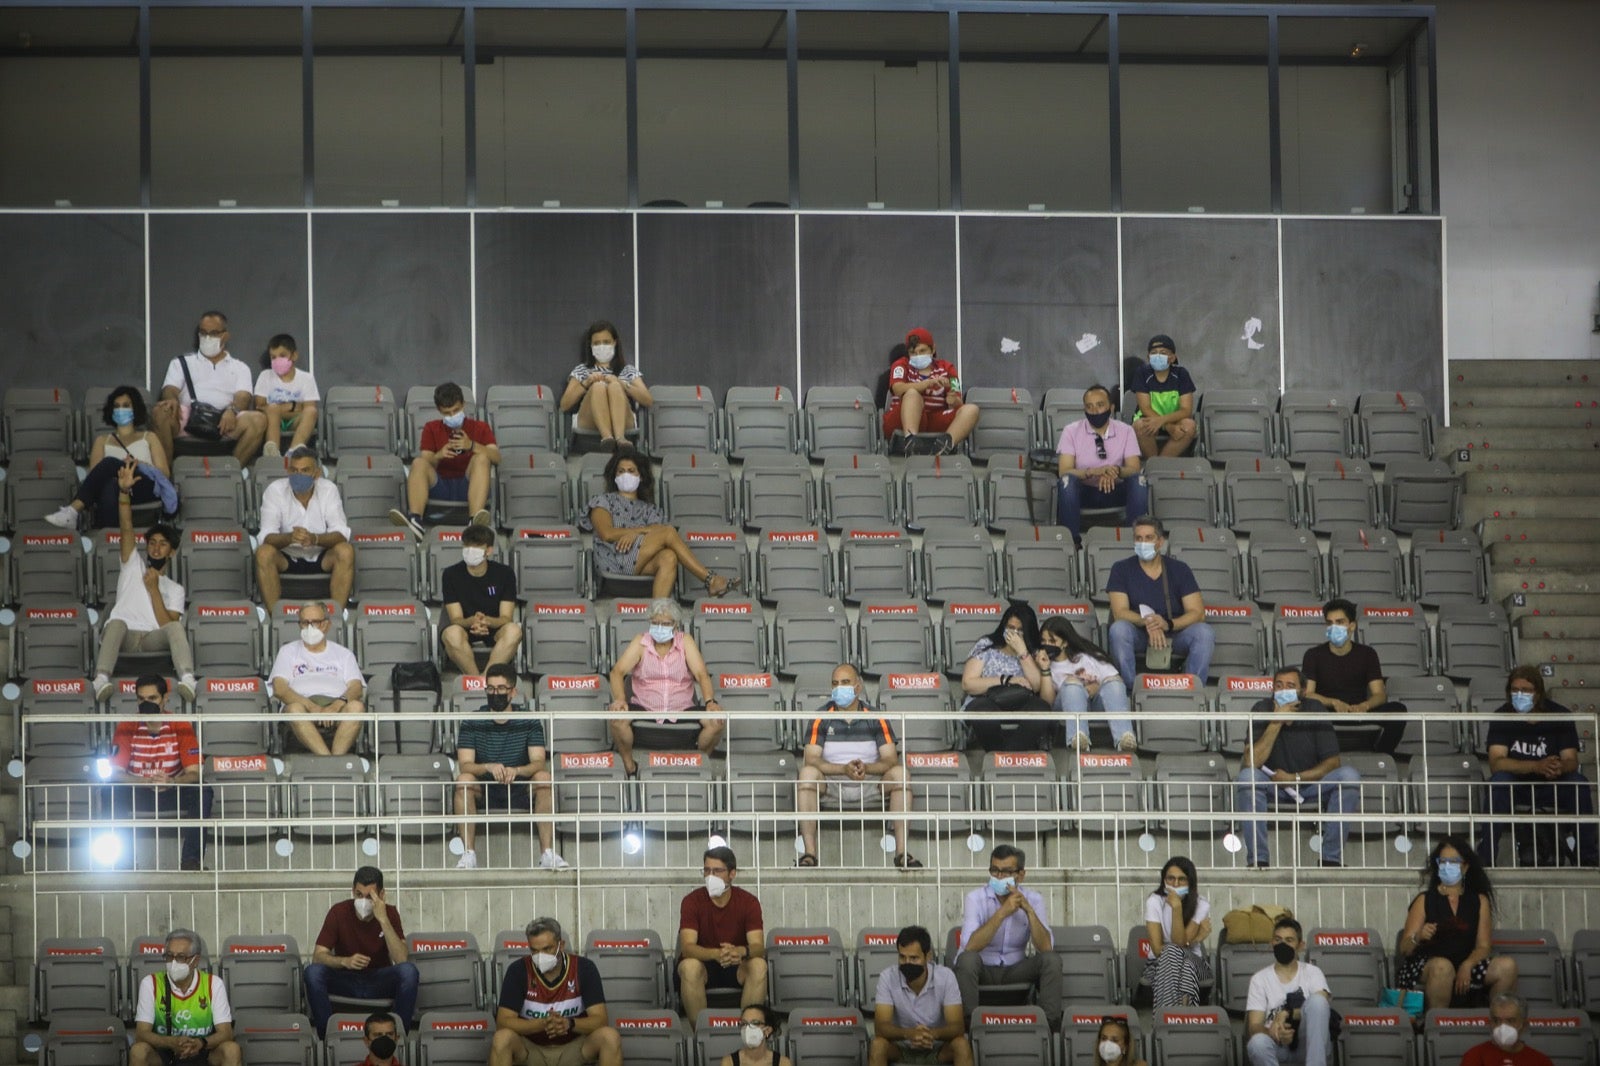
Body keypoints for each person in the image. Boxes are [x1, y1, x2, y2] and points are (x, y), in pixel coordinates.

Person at [796, 663, 920, 870]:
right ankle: (809, 854)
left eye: (845, 683)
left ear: (858, 687)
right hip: (832, 782)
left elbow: (890, 759)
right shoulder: (821, 716)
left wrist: (867, 768)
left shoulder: (876, 717)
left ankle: (901, 853)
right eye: (835, 684)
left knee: (900, 774)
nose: (839, 688)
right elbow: (811, 759)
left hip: (870, 782)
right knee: (807, 773)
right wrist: (843, 769)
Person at [1236, 667, 1361, 869]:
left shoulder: (1315, 709)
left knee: (1349, 776)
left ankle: (1330, 859)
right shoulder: (1261, 708)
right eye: (1279, 686)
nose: (1283, 690)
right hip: (1273, 785)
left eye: (1290, 686)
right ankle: (1259, 861)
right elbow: (1252, 762)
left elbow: (1332, 763)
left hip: (1308, 784)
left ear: (1303, 691)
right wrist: (1276, 722)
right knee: (1246, 777)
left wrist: (1295, 778)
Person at [92, 467, 195, 703]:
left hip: (151, 638)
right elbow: (126, 526)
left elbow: (166, 624)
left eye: (163, 544)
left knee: (176, 627)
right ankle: (101, 679)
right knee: (115, 621)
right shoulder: (132, 565)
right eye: (152, 543)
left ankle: (188, 678)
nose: (156, 548)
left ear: (172, 552)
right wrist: (124, 492)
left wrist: (154, 589)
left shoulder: (175, 589)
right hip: (124, 634)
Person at [1476, 666, 1597, 867]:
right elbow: (1497, 763)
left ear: (1538, 692)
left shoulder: (1559, 714)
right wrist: (1535, 765)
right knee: (1498, 783)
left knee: (1578, 783)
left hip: (1552, 784)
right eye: (1515, 690)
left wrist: (1558, 767)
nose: (1519, 694)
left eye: (1526, 690)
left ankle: (1587, 857)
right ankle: (1485, 857)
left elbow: (1571, 760)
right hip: (1517, 786)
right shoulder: (1503, 716)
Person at [453, 663, 567, 871]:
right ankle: (468, 854)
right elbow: (465, 765)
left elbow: (538, 761)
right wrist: (488, 766)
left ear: (512, 691)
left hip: (520, 787)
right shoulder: (472, 720)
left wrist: (517, 771)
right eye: (490, 688)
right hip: (486, 789)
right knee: (463, 781)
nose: (495, 693)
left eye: (501, 689)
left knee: (543, 777)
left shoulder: (528, 720)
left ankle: (547, 854)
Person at [580, 448, 735, 599]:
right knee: (668, 532)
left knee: (669, 556)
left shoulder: (650, 510)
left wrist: (635, 533)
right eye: (621, 471)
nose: (626, 474)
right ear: (614, 476)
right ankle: (710, 579)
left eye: (631, 470)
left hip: (638, 564)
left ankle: (658, 613)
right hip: (613, 560)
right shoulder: (603, 501)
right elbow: (607, 534)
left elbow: (656, 532)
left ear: (640, 476)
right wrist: (637, 532)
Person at [1395, 836, 1519, 1012]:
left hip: (1466, 962)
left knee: (1507, 966)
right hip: (1429, 965)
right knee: (1442, 967)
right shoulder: (1424, 900)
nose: (1447, 866)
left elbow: (1483, 946)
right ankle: (1439, 1030)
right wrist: (1418, 937)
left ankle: (1497, 1023)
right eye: (1443, 861)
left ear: (1465, 867)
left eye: (1453, 861)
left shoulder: (1479, 901)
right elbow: (1405, 948)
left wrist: (1467, 965)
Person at [606, 598, 724, 775]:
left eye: (665, 623)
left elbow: (701, 674)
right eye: (655, 623)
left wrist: (710, 702)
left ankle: (696, 763)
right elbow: (617, 672)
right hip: (645, 708)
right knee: (616, 718)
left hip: (682, 710)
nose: (659, 627)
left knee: (717, 721)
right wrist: (620, 700)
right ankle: (630, 766)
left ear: (675, 625)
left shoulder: (685, 641)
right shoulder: (641, 642)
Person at [105, 676, 211, 871]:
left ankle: (191, 862)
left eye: (152, 698)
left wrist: (172, 781)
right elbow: (115, 774)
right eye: (141, 699)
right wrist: (141, 781)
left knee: (203, 791)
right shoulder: (127, 726)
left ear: (165, 699)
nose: (146, 704)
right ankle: (123, 862)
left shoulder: (180, 724)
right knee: (109, 791)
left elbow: (194, 773)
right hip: (140, 791)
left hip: (172, 791)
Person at [304, 866, 420, 1038]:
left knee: (409, 972)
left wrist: (383, 919)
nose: (363, 901)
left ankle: (397, 1037)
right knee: (312, 973)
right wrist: (345, 961)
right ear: (353, 891)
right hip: (346, 979)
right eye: (359, 895)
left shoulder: (390, 913)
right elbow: (318, 956)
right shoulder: (338, 912)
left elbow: (401, 958)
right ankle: (327, 1038)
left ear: (381, 895)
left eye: (369, 897)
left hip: (379, 980)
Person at [954, 845, 1062, 1029]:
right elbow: (969, 946)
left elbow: (1046, 948)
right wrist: (1002, 912)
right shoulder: (975, 898)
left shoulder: (1034, 899)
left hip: (1016, 969)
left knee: (1051, 960)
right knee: (966, 960)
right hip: (983, 969)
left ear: (1020, 875)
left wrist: (1029, 911)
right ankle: (970, 1027)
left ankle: (1048, 1028)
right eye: (994, 871)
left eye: (1006, 872)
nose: (999, 877)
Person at [490, 916, 621, 1066]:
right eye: (534, 950)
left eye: (547, 948)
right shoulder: (518, 970)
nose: (540, 956)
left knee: (610, 1037)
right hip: (531, 1049)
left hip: (574, 1048)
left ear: (561, 945)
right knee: (501, 1039)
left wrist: (569, 1024)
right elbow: (503, 1022)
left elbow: (601, 1020)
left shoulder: (584, 968)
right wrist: (541, 1024)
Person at [1105, 516, 1214, 688]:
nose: (1143, 543)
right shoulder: (1121, 569)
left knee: (1204, 633)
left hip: (1175, 633)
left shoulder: (1180, 569)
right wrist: (1150, 622)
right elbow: (1119, 612)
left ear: (1160, 541)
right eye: (1138, 538)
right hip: (1138, 632)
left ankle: (1193, 690)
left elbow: (1197, 613)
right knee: (1119, 630)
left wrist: (1168, 624)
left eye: (1149, 538)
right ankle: (1129, 691)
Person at [45, 385, 173, 530]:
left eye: (126, 406)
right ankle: (110, 538)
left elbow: (164, 473)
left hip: (143, 486)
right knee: (110, 485)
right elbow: (96, 477)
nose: (120, 410)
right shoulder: (102, 441)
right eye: (117, 406)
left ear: (135, 408)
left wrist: (137, 465)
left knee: (109, 462)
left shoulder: (149, 437)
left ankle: (74, 510)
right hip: (116, 489)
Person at [151, 310, 269, 464]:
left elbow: (243, 397)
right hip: (187, 419)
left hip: (224, 422)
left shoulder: (240, 367)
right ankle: (165, 477)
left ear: (225, 336)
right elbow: (169, 389)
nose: (207, 338)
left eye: (213, 333)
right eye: (203, 333)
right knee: (160, 411)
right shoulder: (181, 362)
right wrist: (171, 400)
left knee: (258, 420)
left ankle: (230, 472)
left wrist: (232, 411)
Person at [391, 381, 499, 537]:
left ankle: (473, 522)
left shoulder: (480, 427)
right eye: (447, 413)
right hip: (440, 486)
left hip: (468, 486)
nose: (452, 416)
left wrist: (472, 445)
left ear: (463, 405)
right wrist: (439, 455)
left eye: (456, 410)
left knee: (482, 458)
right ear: (439, 410)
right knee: (418, 462)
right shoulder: (431, 428)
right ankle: (416, 522)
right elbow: (426, 461)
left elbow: (496, 457)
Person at [255, 446, 354, 613]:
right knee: (263, 553)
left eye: (305, 470)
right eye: (294, 470)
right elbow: (265, 536)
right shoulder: (275, 490)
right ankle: (276, 620)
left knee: (345, 551)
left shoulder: (328, 489)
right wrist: (289, 538)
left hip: (321, 555)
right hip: (287, 556)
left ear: (316, 473)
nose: (298, 475)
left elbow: (342, 533)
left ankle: (335, 618)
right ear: (288, 471)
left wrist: (315, 539)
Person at [1300, 598, 1407, 754]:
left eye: (1339, 622)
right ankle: (1317, 756)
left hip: (1359, 710)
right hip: (1328, 712)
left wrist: (1365, 706)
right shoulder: (1313, 655)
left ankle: (1380, 756)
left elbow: (1379, 695)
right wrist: (1334, 703)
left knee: (1398, 710)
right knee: (1304, 710)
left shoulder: (1367, 654)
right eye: (1330, 623)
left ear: (1352, 625)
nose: (1333, 627)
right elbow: (1308, 694)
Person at [677, 846, 767, 1027]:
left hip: (737, 965)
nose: (711, 876)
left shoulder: (748, 902)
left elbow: (758, 947)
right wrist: (716, 954)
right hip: (705, 966)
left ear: (732, 873)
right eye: (707, 870)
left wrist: (740, 951)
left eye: (717, 871)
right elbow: (687, 947)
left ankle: (748, 1032)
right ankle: (701, 1037)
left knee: (759, 965)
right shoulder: (691, 901)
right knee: (689, 967)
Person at [268, 602, 367, 756]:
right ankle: (329, 761)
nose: (310, 627)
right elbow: (279, 689)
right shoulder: (287, 651)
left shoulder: (343, 654)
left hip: (337, 707)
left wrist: (335, 707)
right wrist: (313, 708)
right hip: (303, 706)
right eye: (304, 622)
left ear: (326, 625)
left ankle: (335, 758)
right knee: (294, 710)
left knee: (357, 708)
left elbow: (356, 687)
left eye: (315, 622)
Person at [129, 928, 239, 1066]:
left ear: (196, 960)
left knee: (231, 1050)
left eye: (181, 957)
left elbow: (226, 1033)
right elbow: (141, 1034)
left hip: (203, 1050)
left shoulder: (213, 984)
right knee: (138, 1051)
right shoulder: (150, 983)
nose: (173, 963)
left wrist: (201, 1043)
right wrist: (171, 1042)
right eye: (169, 956)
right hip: (165, 1051)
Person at [1055, 384, 1148, 542]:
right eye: (1089, 407)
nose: (1095, 411)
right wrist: (1092, 472)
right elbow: (1064, 470)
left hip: (1115, 490)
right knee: (1066, 481)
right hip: (1085, 491)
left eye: (1100, 405)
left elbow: (1134, 468)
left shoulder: (1126, 430)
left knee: (1139, 481)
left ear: (1111, 408)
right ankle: (1071, 541)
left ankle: (1136, 539)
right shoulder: (1071, 431)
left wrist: (1115, 471)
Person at [869, 925, 971, 1066]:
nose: (907, 963)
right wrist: (909, 1034)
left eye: (914, 958)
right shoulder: (887, 977)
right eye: (902, 957)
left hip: (937, 1047)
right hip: (902, 1048)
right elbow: (881, 1027)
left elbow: (958, 1026)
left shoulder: (946, 977)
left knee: (962, 1045)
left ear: (928, 956)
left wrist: (931, 1034)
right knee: (877, 1045)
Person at [959, 603, 1052, 752]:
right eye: (1010, 628)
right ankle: (1000, 756)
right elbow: (968, 683)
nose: (1014, 633)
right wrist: (1005, 680)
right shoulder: (987, 645)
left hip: (1021, 701)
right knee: (982, 712)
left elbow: (1036, 686)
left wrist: (1022, 652)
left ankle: (1010, 755)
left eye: (1020, 630)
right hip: (987, 700)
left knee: (1042, 709)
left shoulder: (1034, 651)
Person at [1036, 615, 1133, 753]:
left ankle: (1124, 738)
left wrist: (1098, 687)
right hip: (1066, 707)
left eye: (1052, 641)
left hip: (1096, 703)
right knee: (1072, 685)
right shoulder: (1044, 662)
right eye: (1044, 641)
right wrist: (1045, 669)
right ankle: (1078, 737)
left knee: (1114, 684)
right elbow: (1048, 703)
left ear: (1065, 642)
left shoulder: (1087, 657)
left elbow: (1116, 681)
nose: (1047, 645)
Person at [1244, 918, 1334, 1066]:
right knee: (1257, 1043)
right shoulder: (1259, 979)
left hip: (1308, 1045)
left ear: (1300, 945)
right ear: (1271, 943)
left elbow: (1321, 1003)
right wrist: (1274, 1033)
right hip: (1278, 1045)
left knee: (1317, 1001)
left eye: (1289, 940)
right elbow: (1254, 1026)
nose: (1282, 944)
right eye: (1278, 939)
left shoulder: (1312, 972)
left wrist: (1286, 1013)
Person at [439, 524, 523, 676]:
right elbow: (456, 618)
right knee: (451, 634)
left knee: (514, 631)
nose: (470, 551)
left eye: (476, 547)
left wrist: (487, 622)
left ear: (488, 551)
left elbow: (506, 617)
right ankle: (476, 681)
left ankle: (486, 680)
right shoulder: (450, 574)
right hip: (465, 627)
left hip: (494, 626)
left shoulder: (505, 574)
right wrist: (471, 621)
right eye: (467, 547)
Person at [883, 328, 980, 456]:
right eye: (913, 353)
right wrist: (928, 383)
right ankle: (911, 443)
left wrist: (953, 400)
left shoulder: (948, 368)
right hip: (902, 420)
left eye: (922, 351)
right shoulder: (901, 365)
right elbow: (897, 388)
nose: (918, 356)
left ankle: (945, 445)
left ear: (933, 349)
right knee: (912, 394)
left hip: (934, 419)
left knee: (971, 409)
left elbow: (957, 398)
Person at [559, 320, 653, 446]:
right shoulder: (582, 370)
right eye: (597, 343)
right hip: (590, 421)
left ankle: (620, 439)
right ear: (591, 346)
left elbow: (647, 400)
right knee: (598, 387)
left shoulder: (627, 370)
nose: (602, 346)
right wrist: (586, 383)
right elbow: (564, 405)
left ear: (614, 343)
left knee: (614, 386)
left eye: (606, 342)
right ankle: (607, 439)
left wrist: (622, 384)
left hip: (624, 422)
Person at [1143, 857, 1213, 1008]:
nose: (1175, 884)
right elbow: (1157, 950)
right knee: (1183, 966)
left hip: (1196, 963)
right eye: (1171, 878)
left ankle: (1165, 1021)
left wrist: (1177, 908)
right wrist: (1196, 939)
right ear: (1163, 880)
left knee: (1175, 953)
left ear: (1190, 882)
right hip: (1157, 964)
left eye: (1182, 879)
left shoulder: (1201, 904)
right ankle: (1186, 1021)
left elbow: (1179, 942)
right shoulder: (1154, 901)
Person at [253, 333, 320, 458]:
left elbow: (308, 408)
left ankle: (294, 451)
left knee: (311, 411)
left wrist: (278, 409)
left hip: (295, 421)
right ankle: (272, 452)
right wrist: (294, 406)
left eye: (282, 356)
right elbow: (260, 406)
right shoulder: (265, 376)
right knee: (272, 409)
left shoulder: (306, 378)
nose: (277, 360)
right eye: (273, 357)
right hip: (271, 421)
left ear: (294, 355)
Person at [1130, 335, 1197, 459]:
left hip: (1175, 420)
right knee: (1140, 426)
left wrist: (1164, 421)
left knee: (1189, 426)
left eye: (1163, 353)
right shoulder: (1142, 373)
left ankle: (1160, 465)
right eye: (1154, 353)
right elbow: (1145, 408)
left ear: (1172, 357)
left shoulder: (1181, 374)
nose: (1158, 356)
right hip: (1150, 419)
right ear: (1148, 357)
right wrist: (1167, 426)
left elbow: (1186, 410)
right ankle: (1153, 464)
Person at [1459, 993, 1553, 1066]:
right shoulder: (1474, 1057)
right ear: (1490, 1023)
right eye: (1496, 1020)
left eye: (1510, 1021)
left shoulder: (1540, 1062)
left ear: (1524, 1025)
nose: (1502, 1027)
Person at [718, 1003, 791, 1066]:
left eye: (755, 1023)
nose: (747, 1028)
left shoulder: (783, 1063)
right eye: (744, 1023)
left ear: (767, 1030)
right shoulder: (729, 1062)